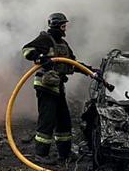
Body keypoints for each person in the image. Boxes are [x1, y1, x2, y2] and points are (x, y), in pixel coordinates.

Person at [21, 12, 100, 162]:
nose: (65, 29)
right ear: (56, 26)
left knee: (64, 121)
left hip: (58, 86)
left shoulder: (63, 45)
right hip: (45, 85)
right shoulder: (45, 39)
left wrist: (90, 71)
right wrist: (40, 57)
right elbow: (27, 50)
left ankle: (65, 154)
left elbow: (73, 64)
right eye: (63, 26)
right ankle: (41, 155)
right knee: (47, 120)